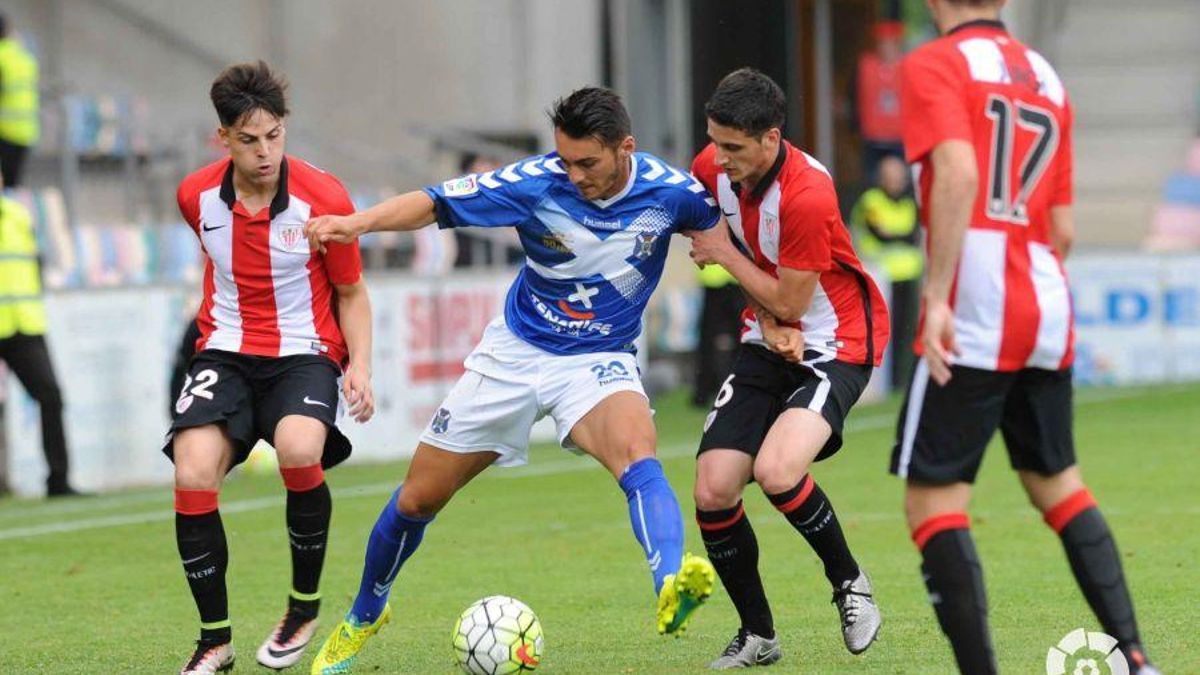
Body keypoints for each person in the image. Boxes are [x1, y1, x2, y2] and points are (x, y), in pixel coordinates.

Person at [305, 86, 720, 675]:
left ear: (625, 147)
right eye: (566, 160)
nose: (574, 175)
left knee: (637, 455)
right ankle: (365, 613)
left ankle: (671, 583)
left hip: (597, 360)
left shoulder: (673, 193)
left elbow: (726, 232)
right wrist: (357, 224)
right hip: (515, 354)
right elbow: (433, 203)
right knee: (418, 497)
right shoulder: (535, 182)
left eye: (588, 163)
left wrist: (755, 291)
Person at [893, 2, 1159, 673]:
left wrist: (937, 294)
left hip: (978, 300)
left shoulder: (936, 63)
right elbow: (1063, 226)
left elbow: (957, 172)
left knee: (933, 500)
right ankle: (1136, 658)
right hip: (1043, 295)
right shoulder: (1046, 75)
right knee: (1057, 482)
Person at [167, 61, 374, 675]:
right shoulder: (194, 196)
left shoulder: (325, 199)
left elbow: (352, 293)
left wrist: (359, 365)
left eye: (275, 136)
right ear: (223, 138)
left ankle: (303, 608)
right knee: (192, 468)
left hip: (304, 353)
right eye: (250, 139)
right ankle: (214, 642)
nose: (265, 153)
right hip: (225, 351)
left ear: (286, 128)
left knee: (298, 448)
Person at [687, 68, 891, 669]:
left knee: (778, 470)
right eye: (715, 142)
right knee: (713, 486)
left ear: (771, 138)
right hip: (767, 339)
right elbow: (691, 223)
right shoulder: (713, 166)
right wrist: (764, 311)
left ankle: (851, 583)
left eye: (733, 148)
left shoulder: (807, 193)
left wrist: (726, 257)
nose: (718, 160)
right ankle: (758, 635)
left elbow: (794, 303)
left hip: (835, 342)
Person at [0, 176, 79, 496]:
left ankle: (58, 481)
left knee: (50, 395)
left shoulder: (18, 214)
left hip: (24, 324)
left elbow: (33, 263)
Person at [848, 154, 921, 387]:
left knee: (907, 332)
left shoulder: (910, 203)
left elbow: (913, 235)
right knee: (882, 333)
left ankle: (901, 381)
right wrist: (902, 236)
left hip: (909, 276)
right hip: (881, 277)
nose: (896, 180)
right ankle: (881, 383)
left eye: (899, 175)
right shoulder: (872, 201)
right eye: (891, 175)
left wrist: (897, 236)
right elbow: (880, 234)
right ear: (881, 178)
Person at [851, 21, 905, 185]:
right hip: (873, 137)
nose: (886, 47)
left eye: (891, 42)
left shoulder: (907, 67)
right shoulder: (866, 66)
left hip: (899, 138)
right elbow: (854, 96)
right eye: (882, 42)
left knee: (899, 182)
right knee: (872, 182)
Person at [691, 262, 741, 408]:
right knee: (742, 338)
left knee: (709, 339)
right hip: (732, 275)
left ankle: (703, 392)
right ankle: (707, 390)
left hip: (727, 276)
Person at [0, 14, 38, 188]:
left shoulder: (2, 57)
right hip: (25, 130)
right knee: (10, 187)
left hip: (4, 131)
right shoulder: (23, 56)